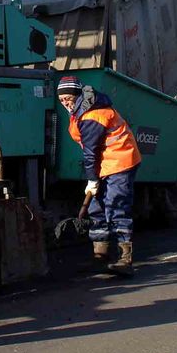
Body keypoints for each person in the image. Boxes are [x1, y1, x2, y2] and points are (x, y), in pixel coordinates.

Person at [56, 76, 142, 277]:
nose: (65, 103)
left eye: (68, 98)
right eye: (62, 101)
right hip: (105, 163)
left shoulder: (92, 116)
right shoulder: (81, 110)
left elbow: (90, 152)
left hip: (121, 160)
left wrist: (92, 179)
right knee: (97, 208)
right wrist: (94, 178)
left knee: (116, 206)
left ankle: (124, 259)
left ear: (78, 96)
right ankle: (100, 256)